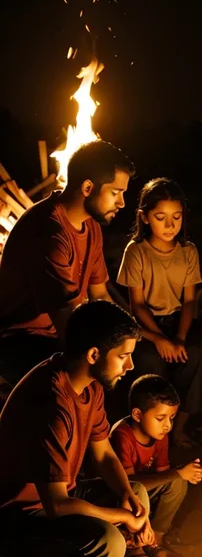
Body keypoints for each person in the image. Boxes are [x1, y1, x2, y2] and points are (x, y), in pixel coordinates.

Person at [0, 300, 151, 557]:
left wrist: (127, 498)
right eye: (123, 356)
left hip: (54, 498)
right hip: (17, 510)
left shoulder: (89, 386)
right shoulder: (51, 403)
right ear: (94, 354)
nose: (130, 366)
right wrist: (123, 517)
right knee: (109, 545)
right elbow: (56, 505)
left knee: (136, 492)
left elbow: (104, 453)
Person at [0, 140, 135, 387]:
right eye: (116, 192)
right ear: (87, 187)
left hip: (63, 331)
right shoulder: (49, 233)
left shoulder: (90, 226)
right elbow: (68, 325)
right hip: (21, 341)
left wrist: (129, 337)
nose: (122, 203)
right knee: (93, 374)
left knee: (134, 363)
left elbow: (100, 295)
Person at [117, 177, 202, 447]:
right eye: (161, 217)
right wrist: (160, 339)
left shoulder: (188, 251)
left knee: (197, 353)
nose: (170, 225)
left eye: (177, 217)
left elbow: (189, 302)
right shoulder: (136, 251)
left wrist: (180, 338)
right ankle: (149, 435)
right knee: (151, 365)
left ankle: (179, 427)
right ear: (145, 217)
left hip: (179, 322)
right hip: (147, 327)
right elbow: (136, 305)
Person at [110, 374, 202, 557]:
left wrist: (185, 474)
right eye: (160, 418)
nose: (168, 426)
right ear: (137, 414)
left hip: (142, 494)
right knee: (161, 482)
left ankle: (155, 539)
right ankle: (134, 547)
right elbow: (127, 485)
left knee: (178, 482)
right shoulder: (122, 436)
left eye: (171, 418)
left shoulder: (159, 436)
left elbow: (163, 474)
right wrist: (178, 473)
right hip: (115, 498)